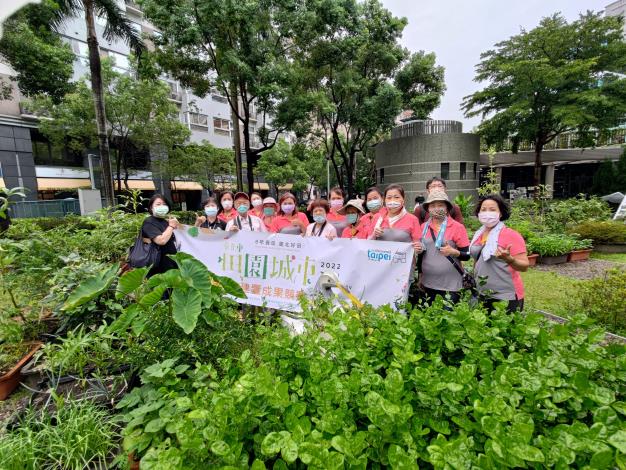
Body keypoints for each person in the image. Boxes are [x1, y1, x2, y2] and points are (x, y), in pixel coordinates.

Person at [470, 194, 529, 313]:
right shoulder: (479, 234)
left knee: (506, 330)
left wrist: (509, 259)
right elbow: (478, 260)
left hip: (505, 297)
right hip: (482, 293)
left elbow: (524, 266)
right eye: (483, 209)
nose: (487, 213)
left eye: (492, 210)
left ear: (500, 213)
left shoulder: (510, 235)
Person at [417, 191, 470, 305]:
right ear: (428, 209)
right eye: (432, 205)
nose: (436, 208)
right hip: (428, 282)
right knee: (430, 319)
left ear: (447, 207)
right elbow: (422, 255)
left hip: (450, 285)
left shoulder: (457, 227)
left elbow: (467, 255)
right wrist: (420, 275)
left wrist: (454, 252)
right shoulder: (423, 227)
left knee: (448, 318)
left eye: (440, 205)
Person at [367, 184, 423, 253]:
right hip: (381, 262)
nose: (392, 201)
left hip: (403, 262)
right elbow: (368, 243)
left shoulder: (412, 219)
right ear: (384, 200)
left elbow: (418, 245)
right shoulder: (377, 217)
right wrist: (374, 235)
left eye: (396, 197)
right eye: (389, 198)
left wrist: (419, 248)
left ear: (403, 199)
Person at [141, 194, 179, 276]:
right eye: (158, 204)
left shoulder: (165, 222)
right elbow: (161, 241)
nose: (162, 206)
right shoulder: (149, 222)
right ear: (151, 207)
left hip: (170, 263)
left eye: (164, 204)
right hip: (158, 267)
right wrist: (171, 226)